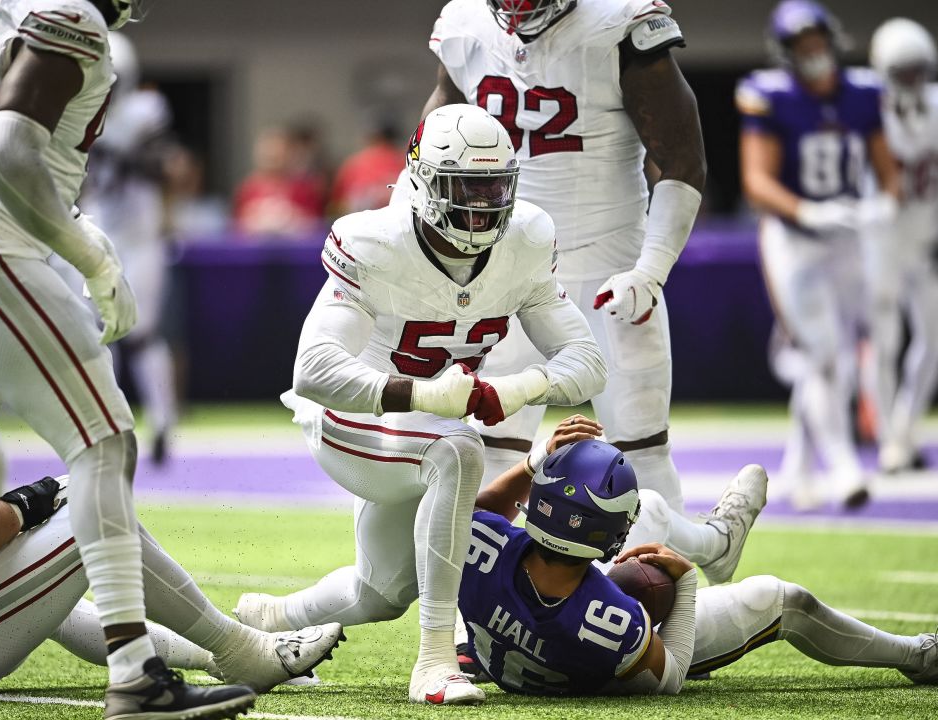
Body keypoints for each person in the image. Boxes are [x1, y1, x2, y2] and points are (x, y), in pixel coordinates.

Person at [0, 1, 241, 716]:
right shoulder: (70, 16)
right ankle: (137, 674)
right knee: (104, 445)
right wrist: (92, 254)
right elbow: (9, 152)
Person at [234, 104, 608, 706]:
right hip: (356, 420)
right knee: (459, 451)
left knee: (381, 591)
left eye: (495, 185)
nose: (485, 202)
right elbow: (313, 369)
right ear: (425, 180)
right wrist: (422, 394)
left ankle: (268, 619)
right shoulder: (373, 239)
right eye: (468, 186)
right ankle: (436, 660)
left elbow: (587, 359)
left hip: (425, 426)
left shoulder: (527, 238)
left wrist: (515, 389)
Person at [423, 1, 727, 568]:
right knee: (487, 451)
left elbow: (684, 159)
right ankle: (480, 615)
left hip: (609, 262)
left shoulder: (622, 23)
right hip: (505, 266)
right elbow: (432, 148)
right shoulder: (465, 24)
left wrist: (650, 269)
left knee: (640, 449)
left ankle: (672, 615)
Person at [456, 416, 938, 695]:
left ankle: (719, 544)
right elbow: (671, 675)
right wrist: (682, 585)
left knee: (654, 510)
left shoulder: (480, 548)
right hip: (611, 654)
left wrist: (532, 462)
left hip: (522, 636)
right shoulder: (611, 617)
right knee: (781, 599)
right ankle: (922, 657)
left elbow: (470, 515)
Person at [0, 382, 342, 704]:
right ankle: (236, 650)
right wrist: (25, 507)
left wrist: (25, 510)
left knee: (63, 537)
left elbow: (39, 598)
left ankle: (218, 652)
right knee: (93, 499)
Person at [737, 0, 902, 510]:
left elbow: (887, 168)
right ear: (786, 53)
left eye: (817, 43)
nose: (813, 54)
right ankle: (846, 465)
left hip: (850, 236)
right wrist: (806, 212)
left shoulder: (865, 93)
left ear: (832, 41)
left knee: (840, 355)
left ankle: (800, 462)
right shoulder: (770, 96)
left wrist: (884, 202)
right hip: (795, 237)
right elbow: (757, 181)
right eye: (801, 46)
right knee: (823, 352)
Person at [866, 18, 938, 473]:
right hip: (882, 238)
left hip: (929, 236)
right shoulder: (868, 106)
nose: (911, 79)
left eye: (917, 69)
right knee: (884, 339)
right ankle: (891, 438)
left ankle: (906, 427)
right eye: (902, 70)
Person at [79, 32, 179, 464]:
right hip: (95, 235)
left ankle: (162, 422)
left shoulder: (144, 112)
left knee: (140, 335)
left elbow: (163, 167)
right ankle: (109, 426)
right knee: (99, 336)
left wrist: (122, 151)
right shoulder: (77, 113)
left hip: (140, 239)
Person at [328, 122, 408, 216]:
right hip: (399, 222)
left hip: (360, 222)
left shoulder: (356, 162)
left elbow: (337, 201)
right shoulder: (406, 161)